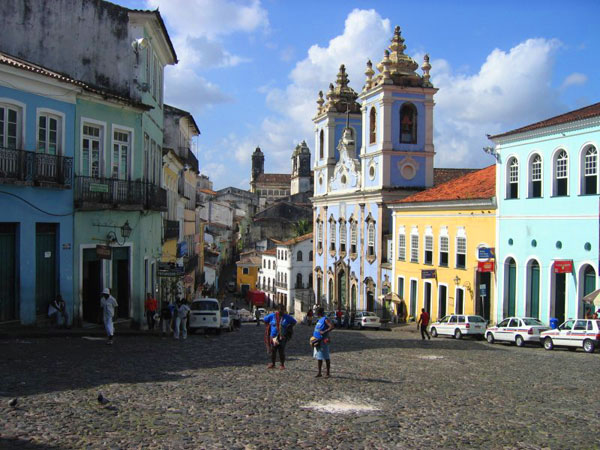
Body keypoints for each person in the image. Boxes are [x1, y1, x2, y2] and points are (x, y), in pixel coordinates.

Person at [263, 303, 296, 369]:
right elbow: (265, 320)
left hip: (282, 337)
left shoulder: (287, 317)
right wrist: (268, 327)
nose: (282, 311)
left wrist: (289, 327)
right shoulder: (272, 316)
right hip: (273, 337)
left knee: (281, 351)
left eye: (283, 309)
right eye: (281, 309)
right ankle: (273, 363)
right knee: (273, 351)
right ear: (277, 309)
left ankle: (282, 364)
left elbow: (294, 322)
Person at [313, 307, 334, 378]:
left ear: (319, 313)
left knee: (326, 357)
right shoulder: (319, 320)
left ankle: (328, 373)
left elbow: (331, 327)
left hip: (323, 341)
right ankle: (319, 372)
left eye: (316, 312)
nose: (316, 313)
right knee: (319, 357)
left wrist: (324, 332)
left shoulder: (325, 319)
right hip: (317, 341)